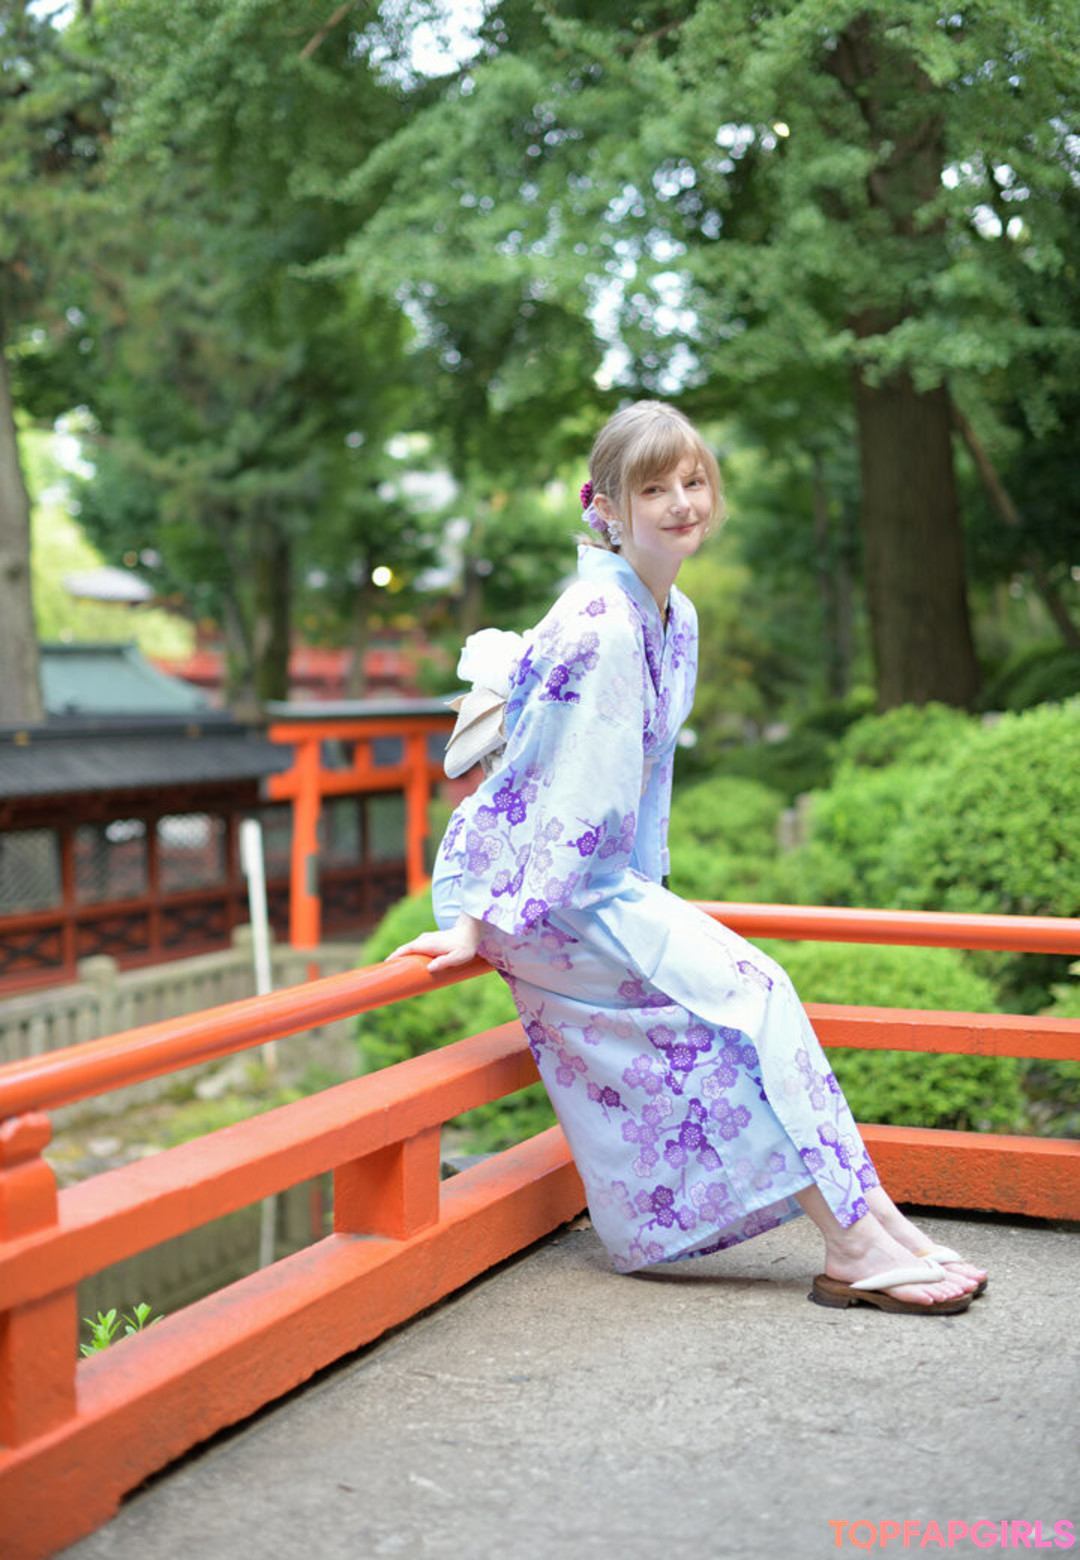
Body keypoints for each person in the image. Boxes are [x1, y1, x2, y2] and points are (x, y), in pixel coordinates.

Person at [389, 400, 987, 1315]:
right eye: (653, 488)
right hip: (531, 894)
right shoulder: (602, 622)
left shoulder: (676, 615)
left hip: (595, 881)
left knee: (759, 996)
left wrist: (652, 895)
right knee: (742, 1004)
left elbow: (644, 783)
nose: (681, 503)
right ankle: (852, 1241)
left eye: (694, 481)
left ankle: (874, 1222)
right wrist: (472, 921)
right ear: (605, 507)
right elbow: (541, 786)